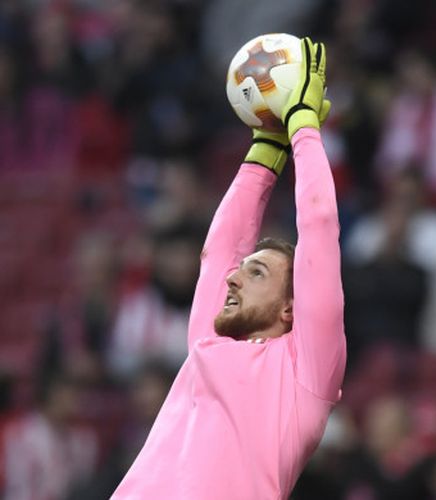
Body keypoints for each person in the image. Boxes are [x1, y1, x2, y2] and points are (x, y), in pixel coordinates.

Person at [113, 37, 347, 499]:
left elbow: (319, 226)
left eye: (258, 273)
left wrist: (302, 124)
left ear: (290, 310)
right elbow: (218, 253)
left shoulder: (305, 376)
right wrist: (264, 150)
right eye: (245, 269)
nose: (234, 276)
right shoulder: (208, 341)